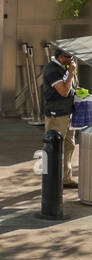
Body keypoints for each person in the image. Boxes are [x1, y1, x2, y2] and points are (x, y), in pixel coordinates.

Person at [42, 47, 81, 188]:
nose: (71, 59)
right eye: (68, 57)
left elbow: (70, 88)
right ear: (60, 57)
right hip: (56, 115)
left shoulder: (64, 67)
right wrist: (71, 73)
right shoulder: (52, 71)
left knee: (69, 145)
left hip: (67, 113)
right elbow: (64, 92)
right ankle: (50, 179)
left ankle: (65, 177)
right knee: (53, 147)